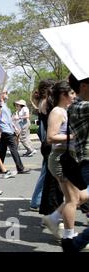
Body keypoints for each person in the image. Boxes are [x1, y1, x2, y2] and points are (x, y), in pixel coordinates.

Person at [42, 81, 89, 241]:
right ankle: (69, 237)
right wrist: (73, 136)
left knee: (82, 196)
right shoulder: (57, 111)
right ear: (63, 95)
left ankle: (53, 218)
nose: (75, 96)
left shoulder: (68, 110)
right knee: (72, 200)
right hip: (61, 159)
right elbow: (50, 137)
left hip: (70, 158)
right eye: (72, 93)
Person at [62, 74, 89, 251]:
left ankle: (74, 244)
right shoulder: (79, 107)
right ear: (85, 85)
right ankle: (74, 243)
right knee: (73, 199)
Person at [29, 80, 56, 212]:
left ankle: (37, 201)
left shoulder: (42, 102)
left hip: (46, 142)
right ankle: (36, 201)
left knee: (46, 172)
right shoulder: (47, 103)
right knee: (46, 173)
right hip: (49, 143)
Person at [0, 90, 31, 174]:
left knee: (2, 150)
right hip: (4, 130)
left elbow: (8, 119)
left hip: (8, 129)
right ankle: (20, 168)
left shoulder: (4, 105)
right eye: (6, 92)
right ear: (1, 94)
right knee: (13, 148)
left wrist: (14, 127)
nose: (7, 94)